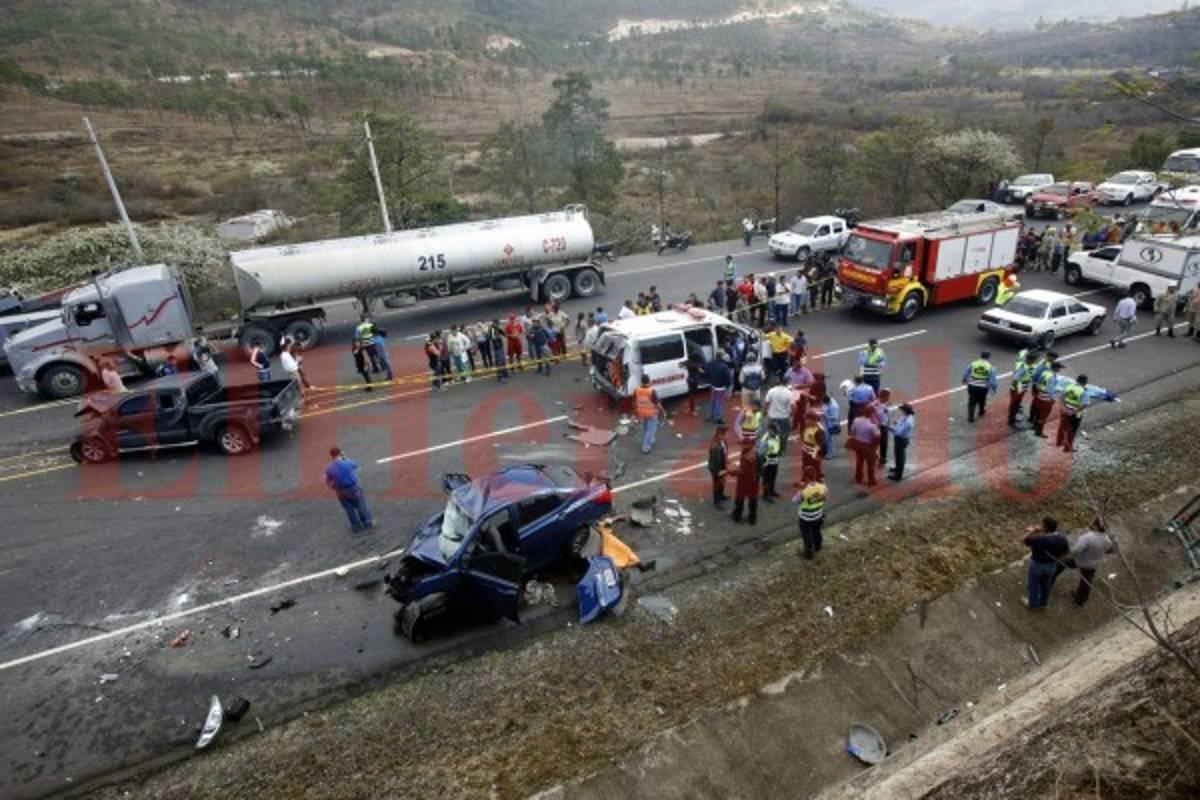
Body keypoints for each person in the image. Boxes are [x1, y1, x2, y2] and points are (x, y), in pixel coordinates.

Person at [1056, 375, 1118, 453]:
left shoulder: (1068, 387)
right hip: (1075, 414)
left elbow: (1060, 398)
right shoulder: (1083, 391)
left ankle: (1058, 442)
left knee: (1062, 426)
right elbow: (1085, 404)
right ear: (1085, 382)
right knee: (1071, 430)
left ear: (1076, 380)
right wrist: (1074, 412)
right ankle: (1067, 448)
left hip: (1064, 411)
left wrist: (1064, 408)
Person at [325, 447, 374, 533]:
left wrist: (335, 488)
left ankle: (355, 527)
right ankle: (367, 522)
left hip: (341, 491)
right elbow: (356, 465)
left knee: (349, 510)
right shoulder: (347, 463)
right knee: (360, 505)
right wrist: (344, 457)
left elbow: (328, 482)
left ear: (331, 456)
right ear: (340, 453)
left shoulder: (330, 469)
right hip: (353, 488)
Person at [1024, 517, 1068, 609]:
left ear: (1045, 528)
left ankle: (1033, 604)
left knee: (1034, 584)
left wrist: (1034, 531)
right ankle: (1043, 603)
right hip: (1052, 565)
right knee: (1046, 585)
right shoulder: (1062, 539)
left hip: (1038, 565)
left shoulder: (1041, 540)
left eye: (1042, 525)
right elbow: (1066, 552)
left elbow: (1026, 540)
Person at [1069, 518, 1114, 606]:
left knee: (1061, 563)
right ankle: (1081, 600)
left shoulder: (1087, 537)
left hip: (1081, 561)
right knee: (1086, 582)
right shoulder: (1108, 540)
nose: (1090, 523)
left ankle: (1050, 579)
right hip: (1093, 564)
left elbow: (1076, 550)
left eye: (1092, 523)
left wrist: (1073, 555)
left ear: (1096, 526)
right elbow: (1109, 550)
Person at [793, 472, 827, 560]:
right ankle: (818, 546)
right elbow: (824, 493)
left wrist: (800, 489)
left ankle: (809, 554)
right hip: (818, 515)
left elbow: (795, 501)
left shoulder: (804, 491)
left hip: (806, 518)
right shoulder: (822, 487)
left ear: (806, 479)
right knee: (817, 532)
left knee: (807, 536)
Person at [962, 351, 997, 423]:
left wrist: (964, 380)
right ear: (988, 357)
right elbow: (992, 380)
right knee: (982, 399)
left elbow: (966, 372)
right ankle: (981, 412)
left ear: (980, 356)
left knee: (972, 401)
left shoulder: (973, 363)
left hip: (972, 385)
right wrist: (993, 389)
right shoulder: (990, 367)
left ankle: (970, 417)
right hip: (983, 388)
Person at [634, 374, 666, 454]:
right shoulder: (651, 391)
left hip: (641, 412)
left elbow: (634, 402)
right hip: (651, 413)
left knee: (645, 427)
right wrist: (663, 411)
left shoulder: (637, 390)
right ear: (649, 381)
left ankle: (651, 439)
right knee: (651, 430)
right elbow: (657, 403)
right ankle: (645, 446)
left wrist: (636, 412)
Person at [731, 440, 760, 525]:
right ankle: (752, 518)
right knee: (753, 500)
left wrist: (730, 472)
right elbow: (760, 468)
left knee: (739, 499)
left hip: (743, 482)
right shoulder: (756, 455)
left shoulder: (745, 457)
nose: (742, 446)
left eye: (744, 444)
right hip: (753, 482)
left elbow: (742, 471)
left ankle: (737, 516)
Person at [1008, 350, 1039, 427]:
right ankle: (1011, 420)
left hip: (1022, 386)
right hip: (1019, 387)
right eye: (1034, 360)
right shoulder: (1023, 367)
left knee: (1017, 403)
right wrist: (1014, 389)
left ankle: (1013, 417)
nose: (1035, 362)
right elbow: (1016, 379)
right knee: (1014, 404)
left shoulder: (1027, 366)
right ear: (1030, 360)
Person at [850, 410, 880, 487]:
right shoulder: (871, 425)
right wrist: (876, 424)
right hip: (868, 446)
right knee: (870, 464)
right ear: (871, 414)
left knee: (859, 462)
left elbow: (852, 431)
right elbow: (877, 436)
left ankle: (858, 478)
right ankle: (871, 480)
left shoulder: (856, 420)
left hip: (859, 444)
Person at [763, 376, 794, 448]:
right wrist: (792, 414)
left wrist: (764, 412)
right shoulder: (789, 393)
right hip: (784, 417)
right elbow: (793, 407)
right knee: (784, 433)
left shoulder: (771, 391)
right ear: (786, 383)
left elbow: (766, 403)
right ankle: (782, 447)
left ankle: (772, 446)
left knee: (771, 432)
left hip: (772, 416)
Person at [704, 352, 733, 423]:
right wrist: (728, 385)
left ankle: (711, 416)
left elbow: (706, 373)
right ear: (722, 357)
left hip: (713, 385)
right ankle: (718, 418)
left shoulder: (711, 364)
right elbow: (727, 378)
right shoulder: (724, 366)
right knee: (719, 403)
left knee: (713, 401)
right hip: (721, 387)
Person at [888, 403, 914, 481]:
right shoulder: (906, 416)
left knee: (900, 457)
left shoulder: (908, 422)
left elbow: (899, 432)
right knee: (898, 455)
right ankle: (897, 468)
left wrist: (890, 429)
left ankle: (898, 475)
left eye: (902, 409)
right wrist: (897, 423)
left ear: (905, 411)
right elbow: (900, 423)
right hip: (901, 439)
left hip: (901, 439)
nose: (901, 411)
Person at [757, 425, 782, 502]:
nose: (774, 433)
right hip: (767, 461)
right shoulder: (765, 439)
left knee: (773, 477)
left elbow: (777, 447)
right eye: (773, 431)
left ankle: (771, 491)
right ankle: (765, 494)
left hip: (775, 460)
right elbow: (761, 452)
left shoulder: (777, 436)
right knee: (766, 479)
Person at [799, 409, 825, 480]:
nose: (805, 421)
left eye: (807, 419)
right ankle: (805, 479)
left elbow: (821, 445)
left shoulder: (818, 430)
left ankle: (817, 481)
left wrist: (817, 455)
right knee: (805, 466)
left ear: (813, 420)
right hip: (806, 451)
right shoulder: (807, 427)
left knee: (814, 467)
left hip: (813, 453)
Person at [708, 424, 729, 506]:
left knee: (722, 481)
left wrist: (726, 460)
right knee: (717, 482)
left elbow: (724, 452)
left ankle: (721, 495)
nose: (728, 436)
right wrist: (717, 472)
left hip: (721, 463)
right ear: (721, 434)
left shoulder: (722, 441)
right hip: (717, 466)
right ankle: (717, 501)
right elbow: (715, 461)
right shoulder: (715, 446)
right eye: (726, 434)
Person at [872, 388, 892, 470]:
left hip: (884, 426)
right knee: (874, 443)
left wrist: (888, 424)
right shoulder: (875, 404)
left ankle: (882, 460)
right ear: (883, 397)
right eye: (888, 396)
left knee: (884, 444)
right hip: (877, 426)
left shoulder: (887, 403)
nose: (889, 398)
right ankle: (874, 456)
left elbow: (888, 415)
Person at [821, 393, 840, 458]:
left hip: (830, 424)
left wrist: (826, 416)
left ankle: (829, 454)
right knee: (825, 439)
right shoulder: (828, 401)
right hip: (825, 422)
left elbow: (835, 418)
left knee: (828, 439)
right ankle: (826, 452)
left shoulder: (833, 407)